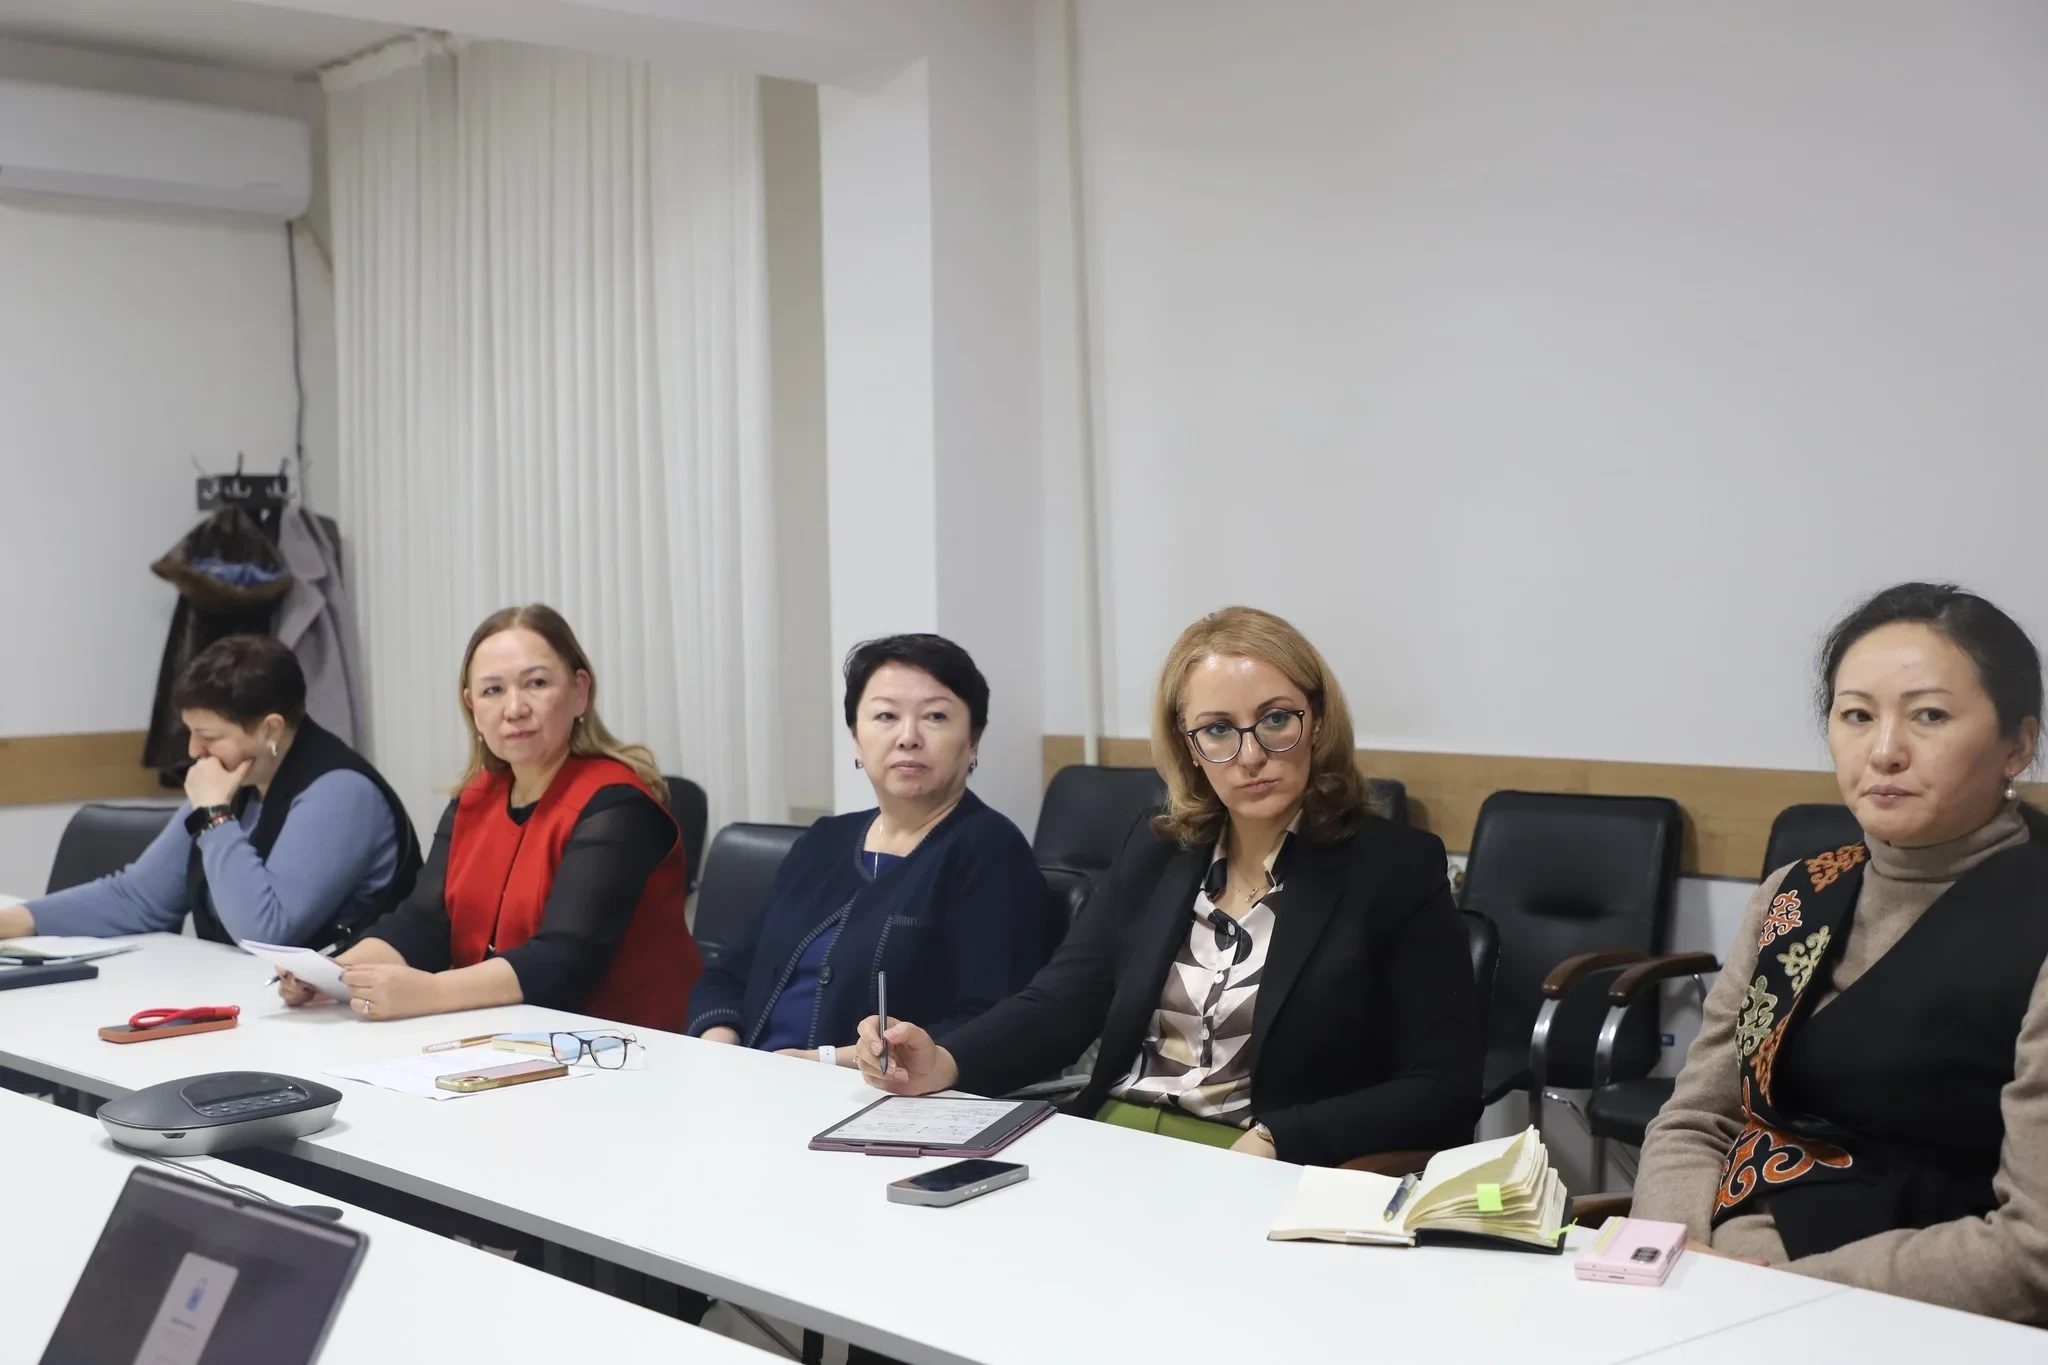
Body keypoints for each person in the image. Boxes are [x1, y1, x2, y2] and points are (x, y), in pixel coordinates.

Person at [855, 606, 1483, 1167]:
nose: (1250, 755)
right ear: (1189, 746)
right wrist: (944, 1061)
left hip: (1255, 1161)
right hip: (1110, 1141)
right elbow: (1061, 1004)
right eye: (1218, 729)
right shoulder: (1160, 849)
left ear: (1316, 720)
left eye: (1275, 719)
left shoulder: (1393, 869)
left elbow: (1444, 1087)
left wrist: (1281, 1138)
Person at [1633, 582, 2048, 1324]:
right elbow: (1697, 1119)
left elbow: (2032, 1250)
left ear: (2017, 745)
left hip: (1905, 1309)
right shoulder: (1796, 896)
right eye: (1857, 715)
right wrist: (1672, 1254)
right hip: (1716, 1280)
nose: (1884, 752)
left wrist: (1776, 1294)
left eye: (1929, 715)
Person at [280, 604, 700, 1031]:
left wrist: (431, 992)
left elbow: (564, 959)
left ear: (579, 691)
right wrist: (334, 974)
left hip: (627, 1046)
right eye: (493, 690)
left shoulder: (617, 806)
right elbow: (425, 922)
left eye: (536, 683)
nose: (514, 708)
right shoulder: (475, 799)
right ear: (472, 706)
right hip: (510, 1038)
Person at [685, 634, 1053, 1065]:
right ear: (857, 738)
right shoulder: (823, 841)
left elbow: (989, 1021)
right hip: (752, 1078)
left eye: (935, 716)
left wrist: (824, 1063)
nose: (908, 737)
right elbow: (729, 973)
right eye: (886, 716)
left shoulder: (990, 852)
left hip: (874, 1095)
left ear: (973, 740)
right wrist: (721, 1048)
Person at [0, 635, 419, 948]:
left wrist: (214, 815)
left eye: (209, 735)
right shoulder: (234, 779)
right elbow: (141, 897)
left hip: (351, 1017)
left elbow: (265, 931)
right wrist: (16, 920)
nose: (193, 750)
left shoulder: (340, 793)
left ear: (270, 729)